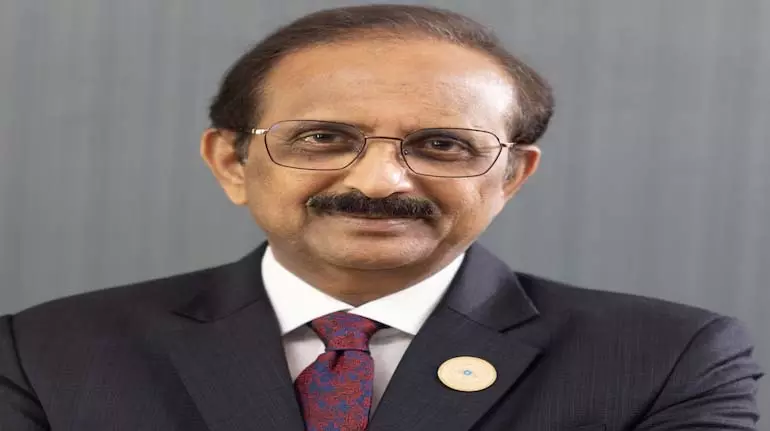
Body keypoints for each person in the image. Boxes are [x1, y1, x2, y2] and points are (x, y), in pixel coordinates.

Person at [0, 4, 763, 430]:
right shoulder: (47, 353)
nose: (380, 179)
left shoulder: (667, 360)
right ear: (231, 161)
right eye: (323, 138)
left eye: (442, 144)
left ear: (510, 175)